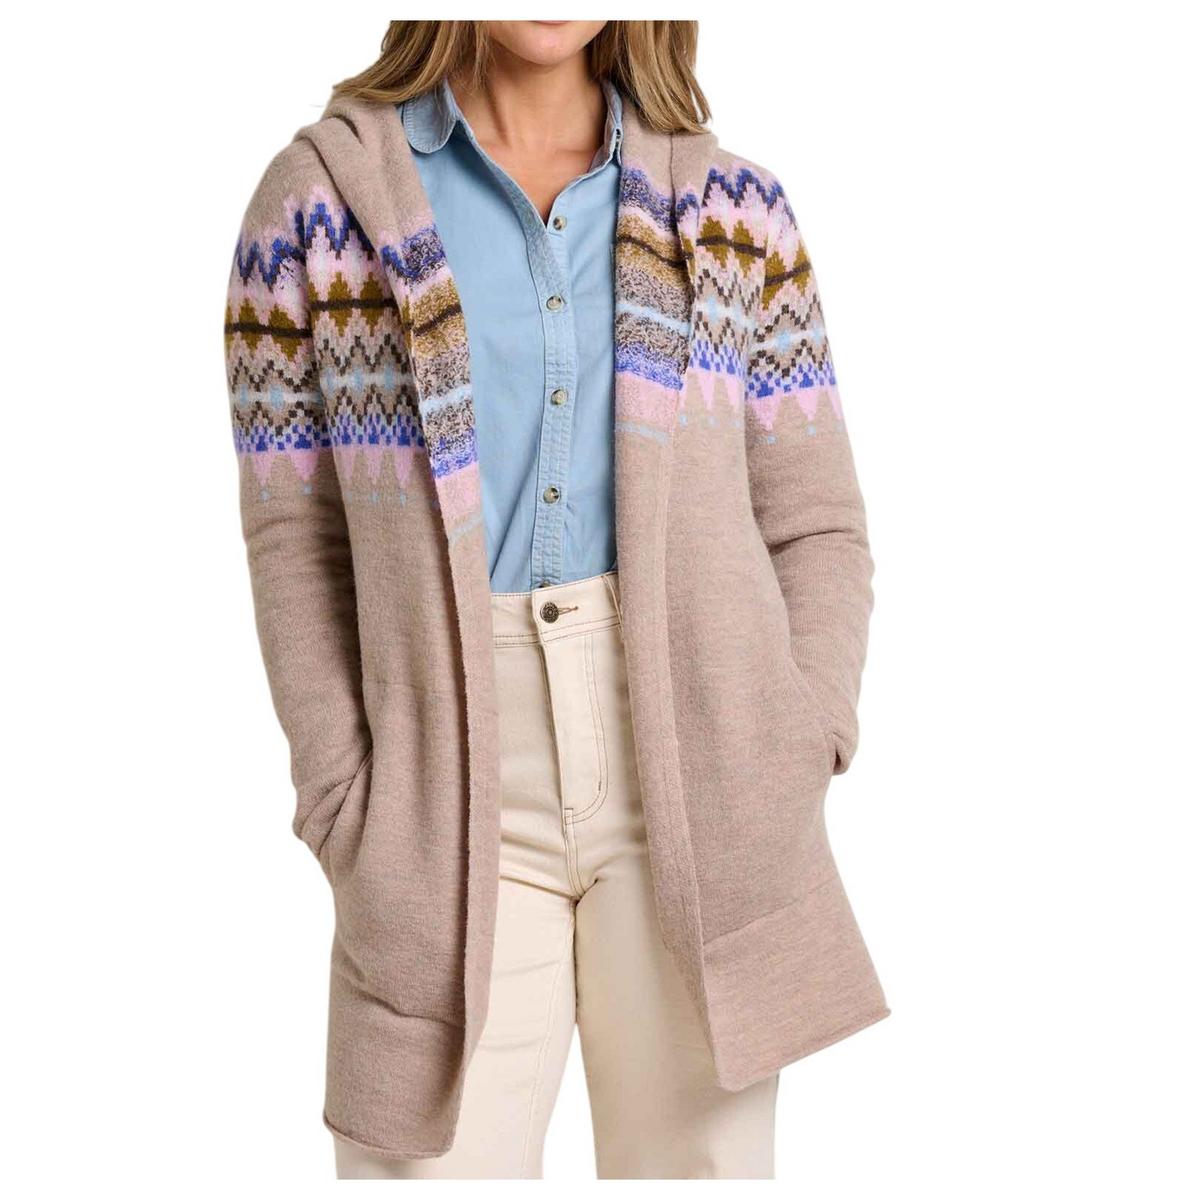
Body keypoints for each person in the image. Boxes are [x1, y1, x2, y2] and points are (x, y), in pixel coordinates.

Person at [223, 18, 887, 1180]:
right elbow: (295, 535)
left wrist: (801, 733)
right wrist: (342, 795)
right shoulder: (319, 208)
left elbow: (816, 519)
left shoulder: (736, 211)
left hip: (699, 772)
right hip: (445, 792)